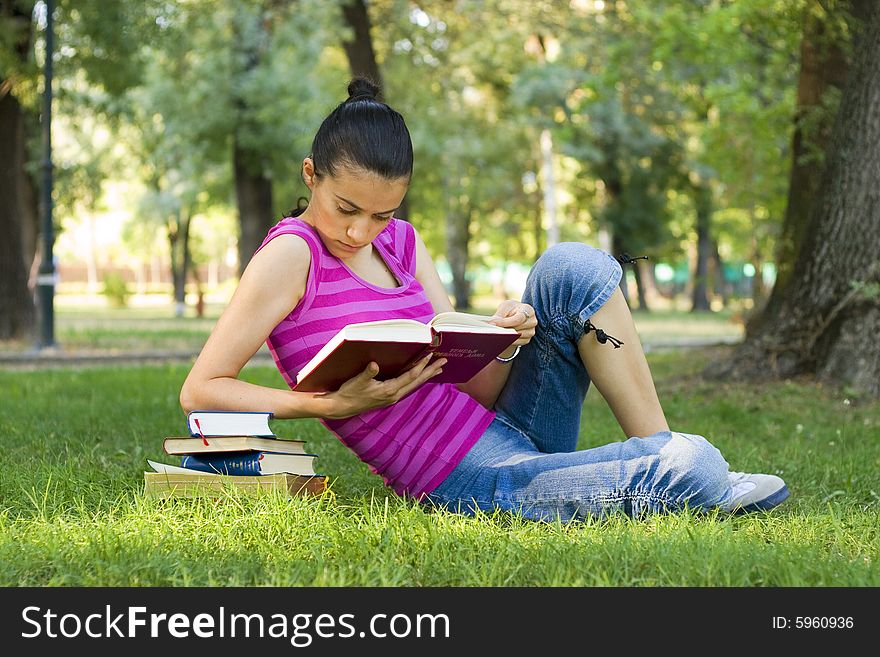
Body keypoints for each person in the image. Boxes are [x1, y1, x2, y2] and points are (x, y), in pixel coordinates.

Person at [179, 77, 790, 522]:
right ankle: (683, 469)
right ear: (311, 176)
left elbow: (467, 378)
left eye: (383, 212)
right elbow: (202, 388)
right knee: (698, 466)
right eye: (347, 209)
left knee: (572, 266)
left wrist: (505, 336)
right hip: (464, 480)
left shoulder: (402, 244)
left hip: (508, 428)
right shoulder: (292, 256)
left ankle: (661, 451)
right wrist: (331, 403)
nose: (363, 231)